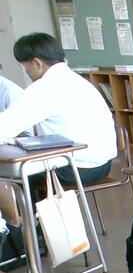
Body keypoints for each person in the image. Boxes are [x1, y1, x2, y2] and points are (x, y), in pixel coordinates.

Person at [0, 33, 117, 186]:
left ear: (36, 63)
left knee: (9, 176)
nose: (26, 71)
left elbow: (5, 126)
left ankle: (32, 203)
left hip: (73, 169)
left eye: (25, 65)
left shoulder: (44, 88)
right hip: (103, 165)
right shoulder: (78, 81)